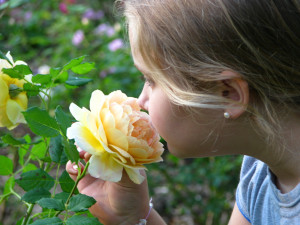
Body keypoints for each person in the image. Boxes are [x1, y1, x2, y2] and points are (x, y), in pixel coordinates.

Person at [66, 0, 300, 224]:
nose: (141, 100)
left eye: (150, 80)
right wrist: (132, 217)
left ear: (229, 94)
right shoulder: (260, 172)